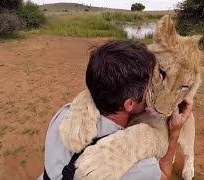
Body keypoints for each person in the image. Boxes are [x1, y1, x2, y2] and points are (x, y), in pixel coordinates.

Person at [38, 40, 193, 180]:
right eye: (150, 86)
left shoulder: (63, 114)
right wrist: (174, 132)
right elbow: (164, 174)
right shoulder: (142, 168)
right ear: (130, 104)